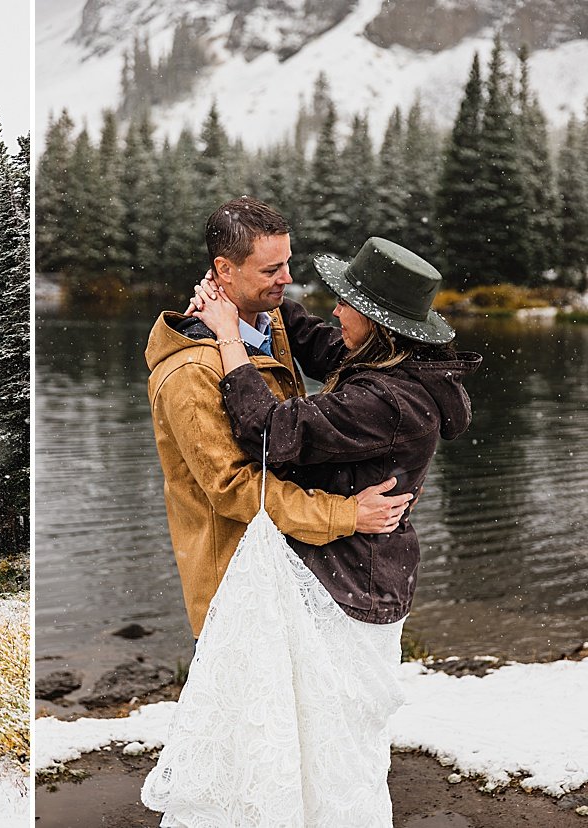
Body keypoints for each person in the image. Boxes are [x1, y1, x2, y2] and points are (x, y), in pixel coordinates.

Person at [143, 236, 481, 826]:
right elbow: (320, 342)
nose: (335, 311)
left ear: (378, 323)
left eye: (348, 303)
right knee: (326, 731)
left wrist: (227, 336)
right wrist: (258, 296)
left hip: (351, 579)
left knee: (328, 732)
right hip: (372, 568)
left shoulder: (386, 400)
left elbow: (268, 430)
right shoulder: (399, 363)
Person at [143, 197, 412, 641]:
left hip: (289, 569)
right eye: (272, 270)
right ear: (224, 270)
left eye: (287, 263)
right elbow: (235, 490)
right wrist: (347, 515)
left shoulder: (271, 325)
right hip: (237, 586)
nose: (288, 278)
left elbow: (355, 368)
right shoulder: (189, 373)